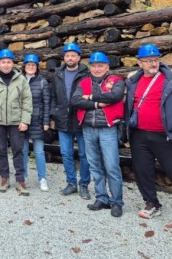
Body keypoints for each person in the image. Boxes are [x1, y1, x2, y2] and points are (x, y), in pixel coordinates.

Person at [72, 52, 125, 218]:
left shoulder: (116, 81)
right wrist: (97, 103)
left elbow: (114, 96)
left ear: (107, 67)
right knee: (95, 165)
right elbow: (75, 100)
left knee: (112, 166)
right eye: (94, 66)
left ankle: (116, 202)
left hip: (107, 128)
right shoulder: (84, 82)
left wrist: (89, 97)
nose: (96, 68)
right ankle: (102, 198)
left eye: (100, 65)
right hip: (88, 128)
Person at [125, 44, 172, 219]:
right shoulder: (133, 82)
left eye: (156, 59)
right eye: (149, 60)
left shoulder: (169, 79)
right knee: (142, 170)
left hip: (164, 134)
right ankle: (152, 203)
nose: (153, 63)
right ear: (139, 63)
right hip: (139, 134)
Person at [0, 49, 32, 195]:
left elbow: (27, 100)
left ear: (13, 63)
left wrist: (25, 120)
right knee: (1, 150)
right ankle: (4, 178)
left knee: (18, 150)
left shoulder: (21, 79)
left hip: (16, 121)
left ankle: (20, 180)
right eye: (3, 62)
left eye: (8, 62)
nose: (5, 65)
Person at [51, 43, 91, 199]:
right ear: (64, 58)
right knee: (66, 153)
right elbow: (53, 95)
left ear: (79, 57)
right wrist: (54, 112)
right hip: (62, 119)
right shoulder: (58, 74)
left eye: (73, 55)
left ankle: (84, 185)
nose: (70, 58)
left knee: (84, 154)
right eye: (67, 55)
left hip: (80, 119)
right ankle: (71, 183)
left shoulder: (86, 74)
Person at [21, 54, 51, 192]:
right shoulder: (19, 80)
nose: (31, 67)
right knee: (23, 150)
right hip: (21, 120)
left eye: (33, 65)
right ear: (24, 66)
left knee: (39, 151)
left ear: (37, 67)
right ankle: (24, 176)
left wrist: (46, 122)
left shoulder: (42, 82)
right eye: (29, 65)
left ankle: (42, 178)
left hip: (37, 120)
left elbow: (47, 103)